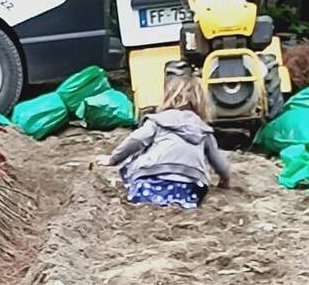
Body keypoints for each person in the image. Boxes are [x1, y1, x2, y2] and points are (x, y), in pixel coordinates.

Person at [95, 76, 230, 208]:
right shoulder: (203, 130)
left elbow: (135, 140)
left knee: (131, 160)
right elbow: (220, 163)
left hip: (149, 182)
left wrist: (113, 159)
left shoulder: (158, 121)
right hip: (187, 188)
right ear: (202, 102)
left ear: (168, 97)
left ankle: (137, 193)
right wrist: (225, 180)